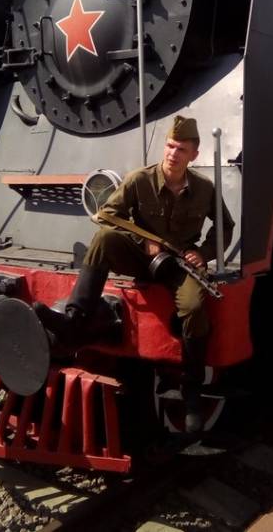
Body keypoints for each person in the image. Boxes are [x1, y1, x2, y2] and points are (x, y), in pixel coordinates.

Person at [35, 114, 234, 431]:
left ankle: (192, 390)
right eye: (170, 146)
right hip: (141, 258)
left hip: (177, 265)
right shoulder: (139, 180)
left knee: (195, 307)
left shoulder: (204, 188)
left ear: (193, 155)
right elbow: (107, 215)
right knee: (104, 239)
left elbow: (226, 225)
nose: (173, 153)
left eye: (181, 149)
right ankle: (75, 320)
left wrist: (204, 253)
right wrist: (142, 240)